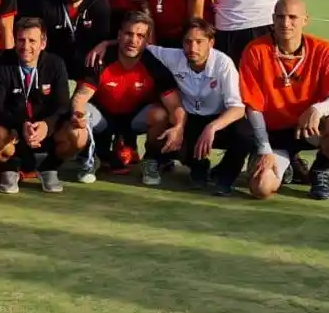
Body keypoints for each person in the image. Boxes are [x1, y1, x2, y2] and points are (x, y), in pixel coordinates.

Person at [87, 18, 251, 191]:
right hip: (190, 120)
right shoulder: (173, 56)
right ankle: (196, 166)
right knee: (169, 137)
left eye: (199, 42)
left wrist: (212, 127)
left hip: (218, 121)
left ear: (211, 42)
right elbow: (137, 44)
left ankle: (224, 175)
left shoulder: (223, 64)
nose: (192, 48)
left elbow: (238, 108)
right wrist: (106, 44)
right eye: (187, 42)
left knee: (245, 133)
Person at [236, 0, 329, 201]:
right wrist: (265, 149)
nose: (285, 23)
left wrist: (317, 109)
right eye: (280, 17)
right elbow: (252, 106)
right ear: (273, 19)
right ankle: (286, 162)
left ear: (305, 20)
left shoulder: (323, 50)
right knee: (261, 189)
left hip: (309, 130)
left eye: (293, 17)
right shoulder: (256, 50)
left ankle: (320, 170)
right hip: (273, 136)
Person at [56, 12, 185, 184]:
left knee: (161, 114)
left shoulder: (154, 65)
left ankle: (151, 160)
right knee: (76, 127)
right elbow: (81, 97)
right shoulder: (101, 59)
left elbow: (174, 105)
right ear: (119, 35)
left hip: (134, 119)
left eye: (140, 36)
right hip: (103, 117)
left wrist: (179, 127)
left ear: (147, 40)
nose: (133, 41)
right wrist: (77, 116)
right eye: (128, 34)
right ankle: (89, 157)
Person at [0, 17, 71, 194]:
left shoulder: (55, 64)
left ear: (43, 43)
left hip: (44, 130)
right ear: (15, 40)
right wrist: (20, 124)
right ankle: (10, 166)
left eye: (32, 41)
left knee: (78, 134)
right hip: (14, 130)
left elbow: (63, 105)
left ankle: (49, 167)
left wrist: (47, 125)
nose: (26, 46)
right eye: (21, 40)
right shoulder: (1, 65)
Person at [36, 0, 113, 80]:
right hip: (56, 70)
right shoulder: (46, 5)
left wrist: (106, 43)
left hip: (89, 71)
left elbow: (116, 37)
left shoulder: (100, 5)